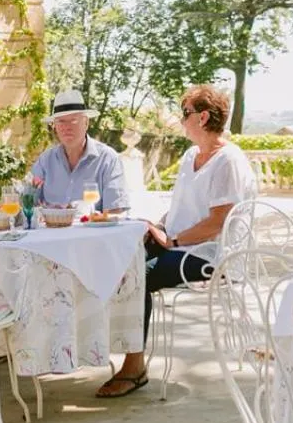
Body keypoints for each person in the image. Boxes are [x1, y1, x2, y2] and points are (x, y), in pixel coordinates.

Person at [95, 84, 256, 399]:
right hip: (182, 245)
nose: (181, 121)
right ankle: (110, 348)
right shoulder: (190, 155)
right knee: (121, 258)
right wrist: (157, 227)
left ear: (203, 117)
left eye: (186, 114)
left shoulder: (228, 161)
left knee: (138, 276)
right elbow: (182, 207)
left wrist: (173, 240)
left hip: (212, 256)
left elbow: (218, 221)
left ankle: (134, 367)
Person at [29, 90, 128, 213]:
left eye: (73, 120)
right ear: (54, 126)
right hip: (51, 230)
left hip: (94, 232)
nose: (67, 127)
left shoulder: (108, 159)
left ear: (86, 123)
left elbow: (115, 211)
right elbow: (27, 202)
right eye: (61, 121)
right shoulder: (45, 161)